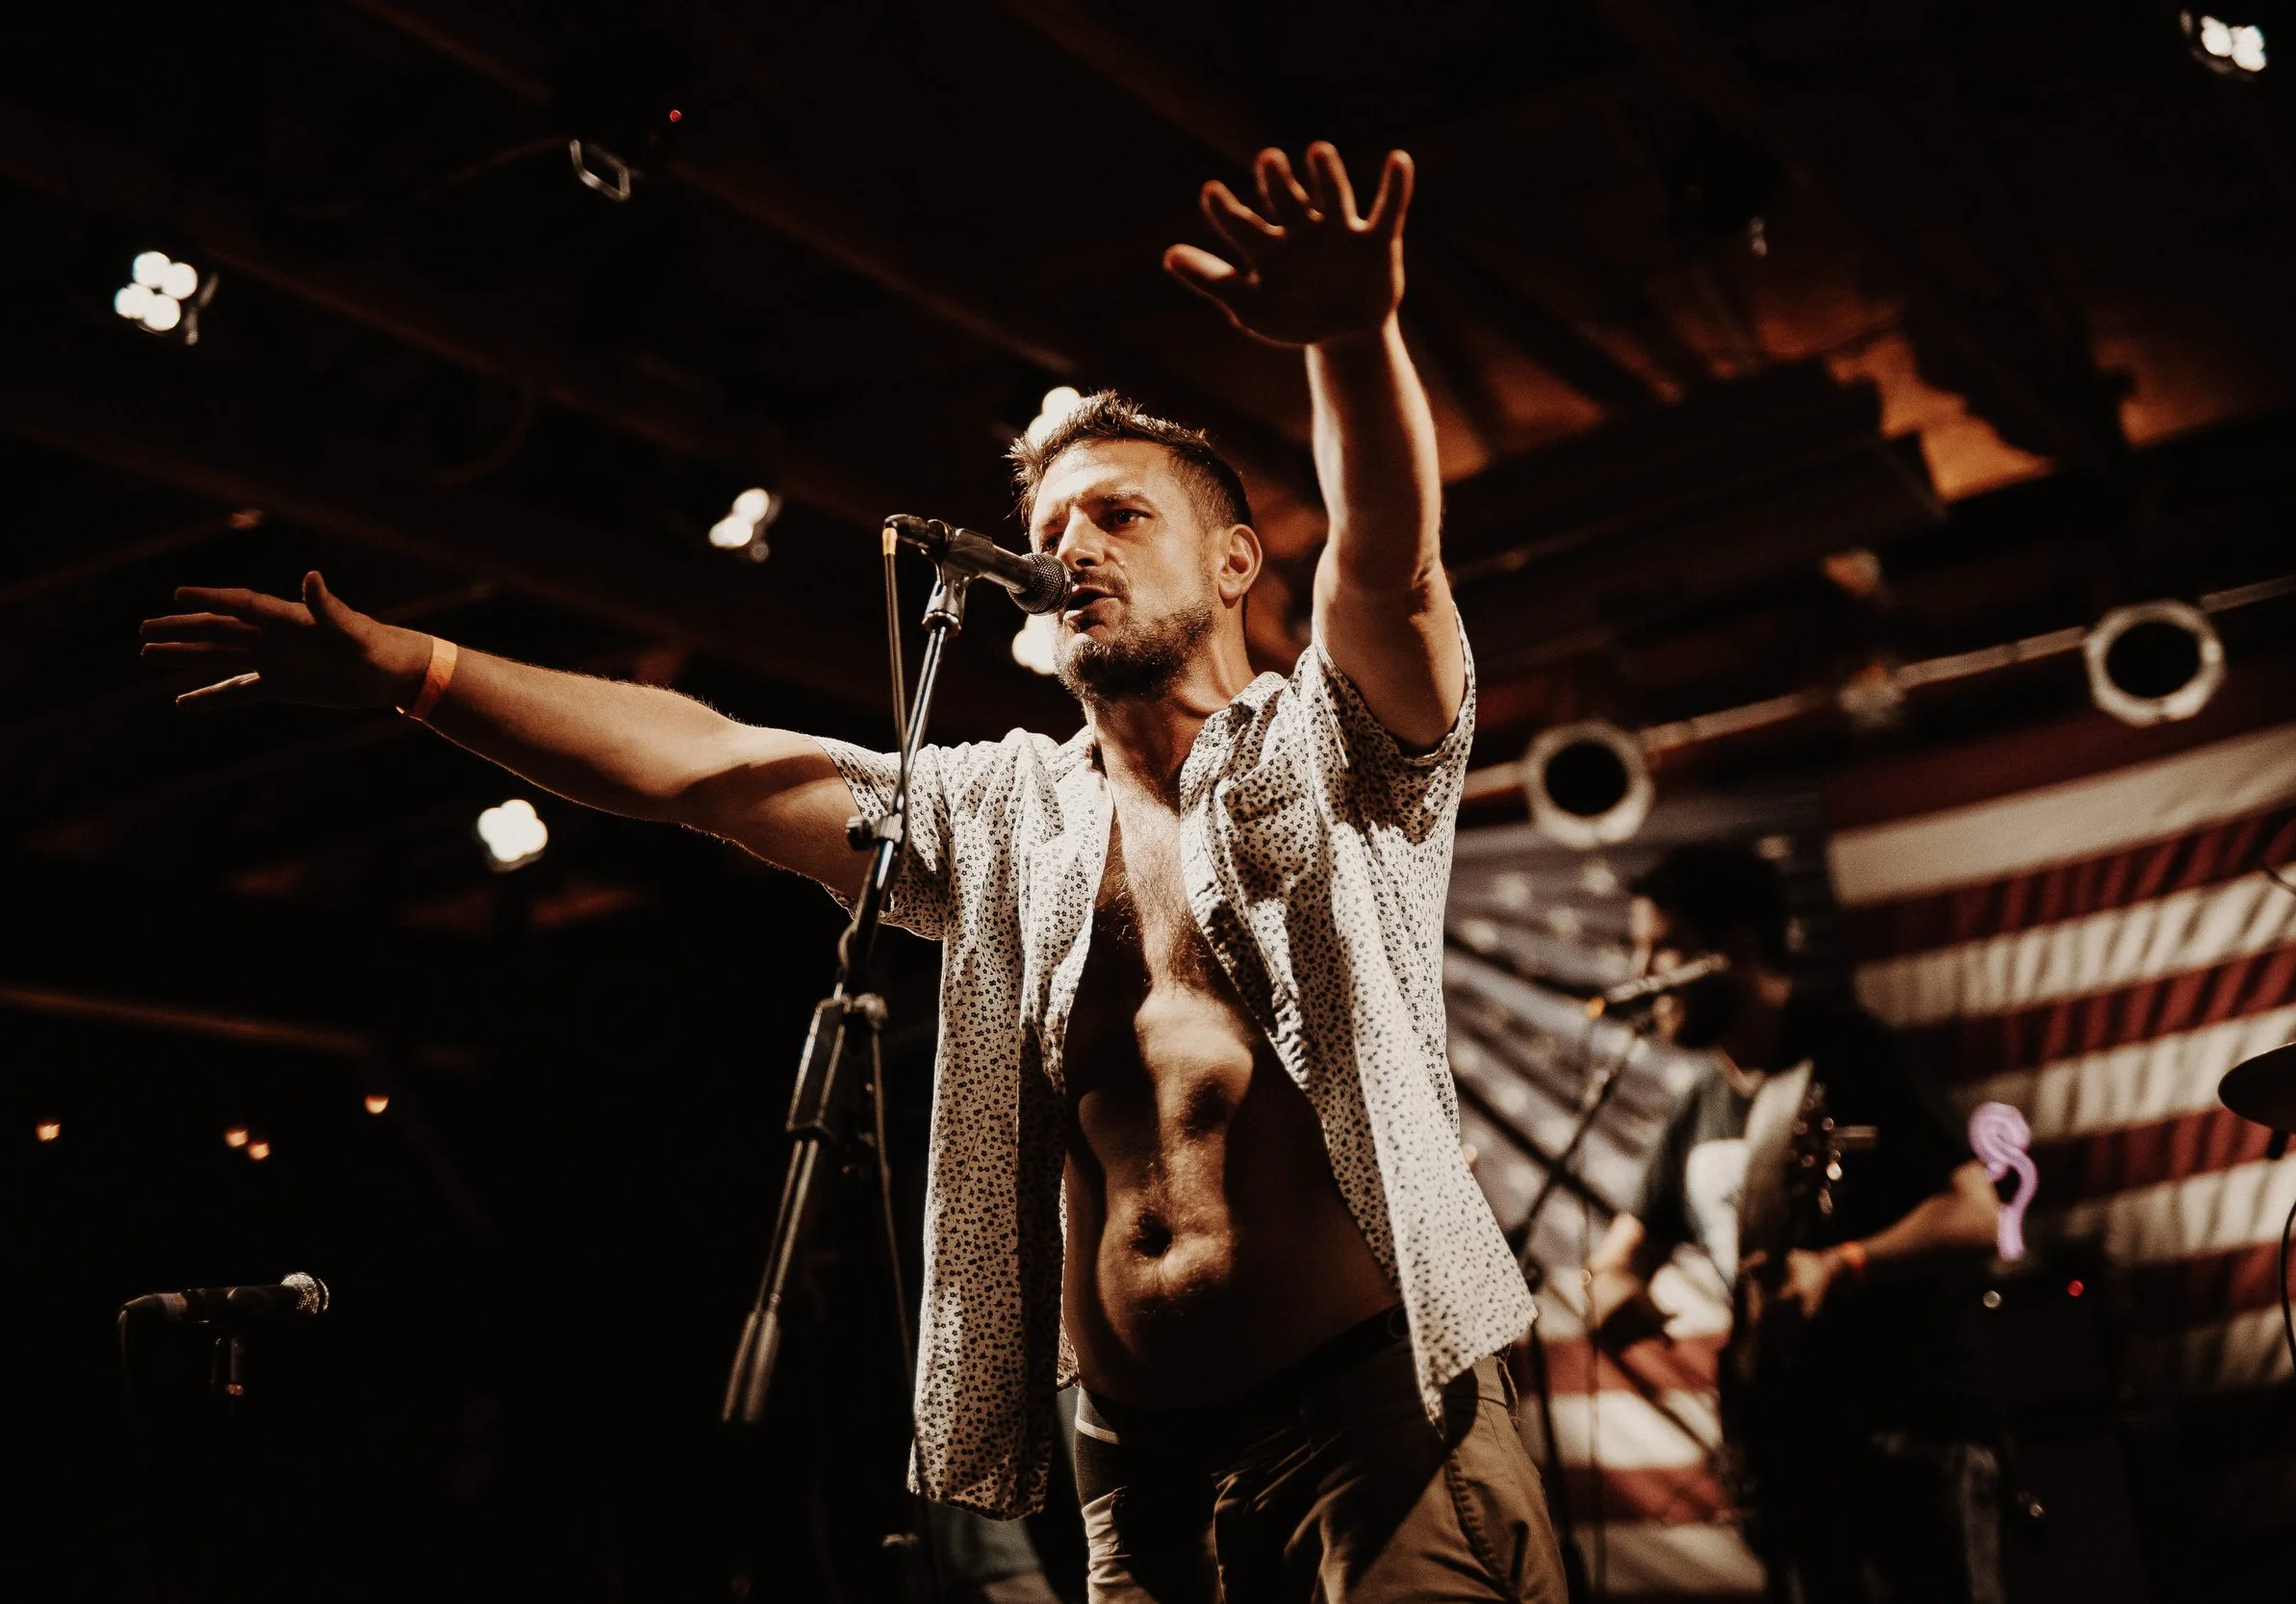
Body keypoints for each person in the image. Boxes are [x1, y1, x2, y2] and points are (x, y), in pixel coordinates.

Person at [141, 142, 1564, 1604]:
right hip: (1138, 1465)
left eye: (1119, 515)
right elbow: (703, 764)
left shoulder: (1337, 747)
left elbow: (1388, 566)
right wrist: (415, 673)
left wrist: (1349, 335)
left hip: (1382, 1423)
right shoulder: (1005, 810)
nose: (1068, 547)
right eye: (1048, 528)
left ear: (1235, 562)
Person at [1583, 844, 2005, 1604]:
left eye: (1664, 946)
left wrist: (1842, 1264)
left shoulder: (1854, 1051)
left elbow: (1976, 1213)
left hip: (1909, 1426)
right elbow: (1619, 1259)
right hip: (1782, 1442)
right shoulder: (1695, 1105)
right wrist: (1612, 1294)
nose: (1643, 973)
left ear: (1736, 946)